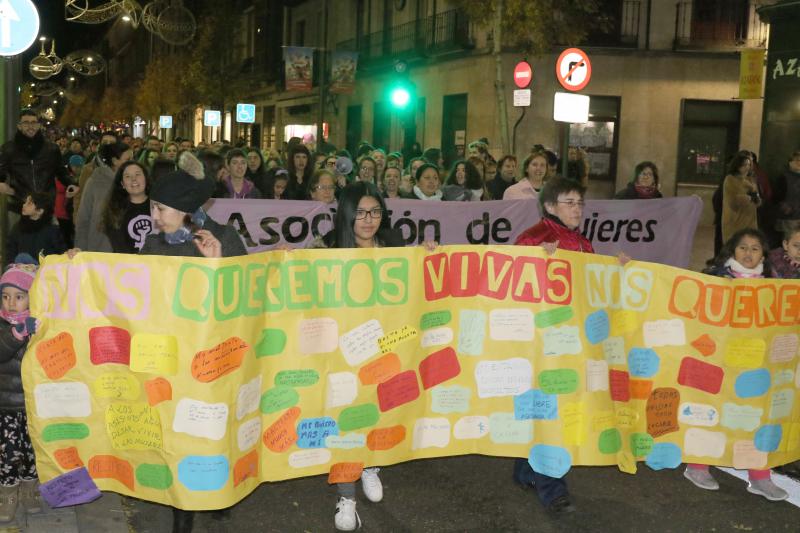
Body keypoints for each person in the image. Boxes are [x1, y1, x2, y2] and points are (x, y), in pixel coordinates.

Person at [308, 182, 435, 530]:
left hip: (384, 348)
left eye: (376, 212)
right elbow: (304, 288)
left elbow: (414, 282)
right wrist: (290, 261)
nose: (369, 220)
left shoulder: (394, 244)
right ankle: (346, 497)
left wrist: (426, 254)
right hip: (341, 352)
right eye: (361, 212)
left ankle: (372, 465)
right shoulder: (327, 247)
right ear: (347, 213)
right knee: (346, 416)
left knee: (379, 407)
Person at [133, 152, 245, 532]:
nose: (155, 215)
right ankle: (184, 509)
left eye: (161, 208)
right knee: (181, 429)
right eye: (153, 206)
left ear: (183, 209)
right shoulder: (153, 245)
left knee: (215, 425)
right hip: (173, 355)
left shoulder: (221, 237)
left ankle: (220, 490)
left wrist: (215, 264)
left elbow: (239, 297)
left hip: (214, 354)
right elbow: (133, 290)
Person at [512, 177, 599, 514]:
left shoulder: (581, 242)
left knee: (547, 408)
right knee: (553, 411)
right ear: (550, 207)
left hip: (571, 339)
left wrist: (617, 269)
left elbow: (591, 284)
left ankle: (526, 470)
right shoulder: (533, 239)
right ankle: (552, 489)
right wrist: (539, 262)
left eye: (580, 203)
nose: (577, 208)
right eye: (570, 202)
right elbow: (514, 285)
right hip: (543, 342)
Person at [685, 228, 787, 501]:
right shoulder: (715, 278)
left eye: (755, 248)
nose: (749, 253)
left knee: (758, 416)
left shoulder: (776, 284)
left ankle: (760, 476)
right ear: (732, 251)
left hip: (756, 366)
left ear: (764, 254)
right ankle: (697, 466)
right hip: (719, 361)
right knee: (709, 411)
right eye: (743, 247)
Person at [0, 255, 41, 521]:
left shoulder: (41, 323)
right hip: (6, 405)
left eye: (19, 297)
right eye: (5, 296)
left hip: (33, 406)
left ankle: (30, 490)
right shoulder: (4, 325)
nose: (11, 303)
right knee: (7, 454)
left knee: (32, 451)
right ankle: (7, 496)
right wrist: (16, 335)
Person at [0, 110, 74, 217]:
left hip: (46, 206)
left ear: (39, 125)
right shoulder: (8, 149)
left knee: (48, 233)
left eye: (34, 123)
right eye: (26, 123)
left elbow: (61, 171)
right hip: (19, 206)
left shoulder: (51, 149)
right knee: (19, 233)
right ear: (19, 126)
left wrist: (71, 183)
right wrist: (8, 189)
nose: (31, 126)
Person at [75, 141, 132, 252]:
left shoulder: (133, 182)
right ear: (115, 161)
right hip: (100, 248)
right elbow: (83, 218)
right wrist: (80, 249)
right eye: (128, 160)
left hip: (126, 249)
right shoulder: (95, 182)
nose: (132, 163)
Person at [101, 161, 153, 253]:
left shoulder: (160, 206)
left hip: (158, 264)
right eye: (127, 176)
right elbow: (118, 247)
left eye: (138, 174)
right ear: (122, 184)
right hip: (126, 265)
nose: (133, 179)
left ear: (146, 178)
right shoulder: (114, 210)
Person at [6, 193, 65, 263]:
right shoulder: (18, 227)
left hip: (44, 270)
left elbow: (61, 252)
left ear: (40, 211)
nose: (24, 205)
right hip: (22, 269)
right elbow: (10, 251)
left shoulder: (52, 230)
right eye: (25, 202)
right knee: (22, 257)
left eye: (29, 203)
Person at [720, 151, 760, 245]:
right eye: (744, 165)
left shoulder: (751, 179)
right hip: (735, 221)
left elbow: (758, 201)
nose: (747, 167)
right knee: (735, 247)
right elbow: (732, 202)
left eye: (749, 165)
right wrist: (748, 197)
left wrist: (755, 195)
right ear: (737, 165)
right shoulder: (730, 179)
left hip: (750, 220)